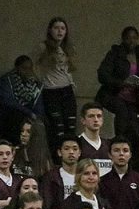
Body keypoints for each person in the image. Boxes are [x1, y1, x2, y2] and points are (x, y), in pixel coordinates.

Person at [96, 26, 139, 137]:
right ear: (123, 39)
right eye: (128, 38)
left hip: (135, 96)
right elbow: (103, 75)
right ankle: (119, 141)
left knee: (134, 120)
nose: (131, 41)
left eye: (134, 38)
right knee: (122, 113)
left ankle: (131, 143)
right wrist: (122, 82)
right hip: (114, 94)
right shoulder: (114, 54)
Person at [35, 17, 78, 154]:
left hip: (67, 89)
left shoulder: (68, 48)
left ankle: (71, 155)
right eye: (56, 28)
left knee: (70, 126)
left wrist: (71, 83)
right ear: (50, 30)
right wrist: (40, 80)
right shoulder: (43, 47)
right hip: (51, 90)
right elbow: (34, 65)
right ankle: (57, 156)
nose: (60, 31)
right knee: (57, 126)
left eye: (63, 28)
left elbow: (68, 69)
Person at [76, 102, 111, 176]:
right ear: (83, 120)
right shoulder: (77, 144)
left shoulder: (109, 145)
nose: (95, 119)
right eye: (91, 116)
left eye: (99, 116)